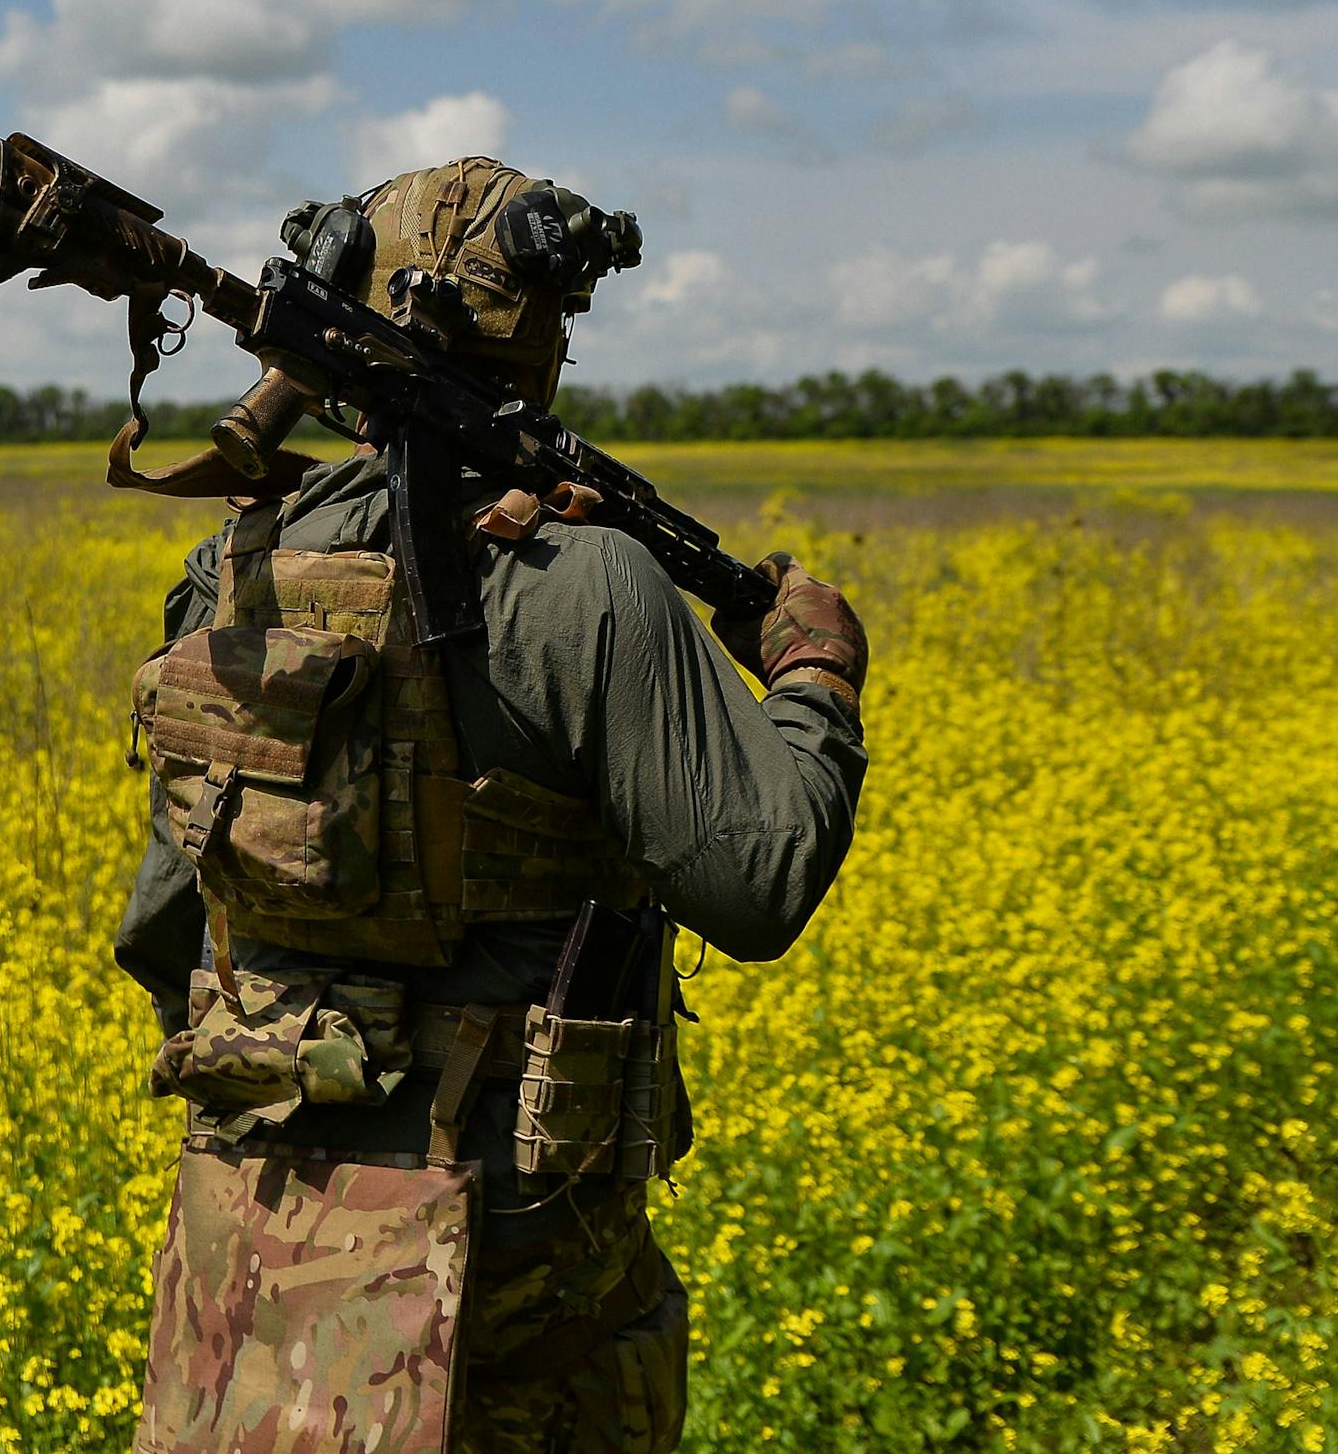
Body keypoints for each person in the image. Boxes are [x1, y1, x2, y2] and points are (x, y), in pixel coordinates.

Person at [114, 157, 868, 1454]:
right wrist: (814, 673)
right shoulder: (590, 588)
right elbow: (762, 882)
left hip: (254, 1238)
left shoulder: (228, 567)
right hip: (512, 1251)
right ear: (545, 341)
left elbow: (164, 930)